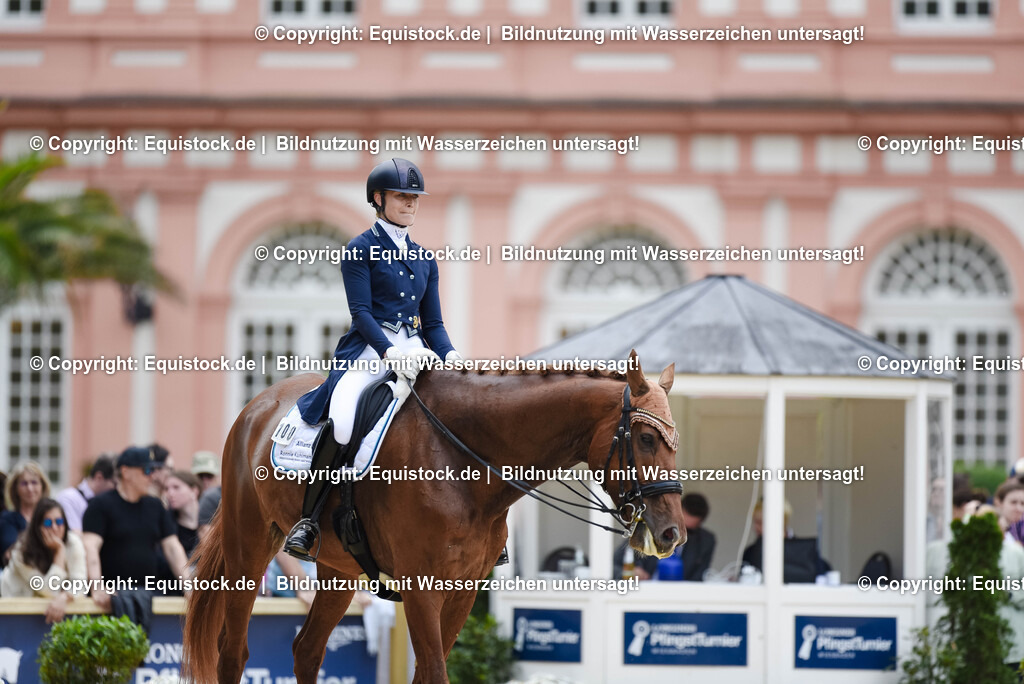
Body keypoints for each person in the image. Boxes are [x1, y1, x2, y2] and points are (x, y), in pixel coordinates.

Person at [287, 158, 463, 560]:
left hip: (416, 349)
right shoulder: (360, 249)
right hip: (370, 350)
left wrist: (451, 356)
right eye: (402, 196)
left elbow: (433, 322)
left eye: (415, 197)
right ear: (379, 199)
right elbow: (361, 313)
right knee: (345, 420)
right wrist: (388, 351)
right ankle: (309, 520)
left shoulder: (423, 258)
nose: (410, 203)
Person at [82, 446, 188, 611]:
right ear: (125, 472)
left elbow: (173, 548)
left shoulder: (156, 506)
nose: (152, 476)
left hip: (149, 596)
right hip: (112, 599)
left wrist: (189, 586)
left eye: (154, 470)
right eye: (147, 470)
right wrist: (96, 587)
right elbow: (90, 546)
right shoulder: (100, 505)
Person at [0, 499, 86, 623]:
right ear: (37, 526)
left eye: (59, 521)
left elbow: (81, 582)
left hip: (46, 610)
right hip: (12, 607)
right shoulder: (21, 551)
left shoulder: (73, 543)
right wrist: (59, 553)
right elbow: (48, 590)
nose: (55, 527)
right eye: (47, 522)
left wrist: (65, 596)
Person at [1, 462, 52, 566]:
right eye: (24, 483)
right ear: (16, 489)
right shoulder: (7, 519)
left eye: (34, 482)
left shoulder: (51, 517)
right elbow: (9, 555)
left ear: (42, 486)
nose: (30, 488)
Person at [54, 454, 115, 532]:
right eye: (115, 483)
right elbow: (75, 537)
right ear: (99, 477)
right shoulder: (69, 498)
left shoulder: (109, 504)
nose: (118, 489)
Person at [163, 470, 202, 558]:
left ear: (194, 491)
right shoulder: (166, 523)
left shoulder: (208, 519)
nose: (170, 493)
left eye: (176, 487)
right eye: (166, 489)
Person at [679, 492, 716, 581]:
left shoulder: (705, 541)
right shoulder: (648, 530)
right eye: (679, 526)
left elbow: (698, 578)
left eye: (689, 531)